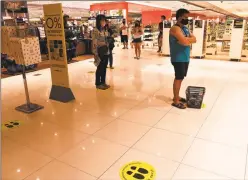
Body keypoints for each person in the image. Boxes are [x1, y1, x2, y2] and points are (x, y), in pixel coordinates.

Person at [169, 9, 196, 109]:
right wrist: (187, 40)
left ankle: (177, 96)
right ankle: (175, 101)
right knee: (178, 78)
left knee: (181, 78)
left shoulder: (185, 28)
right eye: (185, 17)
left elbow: (194, 39)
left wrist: (186, 40)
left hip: (185, 57)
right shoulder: (175, 29)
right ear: (179, 17)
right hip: (178, 58)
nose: (186, 19)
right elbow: (185, 41)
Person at [92, 15, 110, 90]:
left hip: (106, 51)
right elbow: (95, 42)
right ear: (98, 21)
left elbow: (107, 40)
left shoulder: (105, 30)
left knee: (104, 67)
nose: (104, 22)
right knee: (99, 67)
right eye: (102, 20)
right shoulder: (95, 30)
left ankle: (103, 82)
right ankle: (98, 83)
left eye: (104, 20)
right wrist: (95, 53)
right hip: (99, 51)